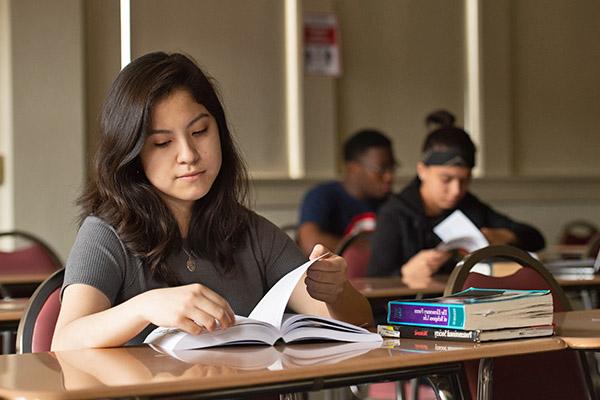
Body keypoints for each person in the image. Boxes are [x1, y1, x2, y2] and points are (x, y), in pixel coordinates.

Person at [51, 52, 373, 350]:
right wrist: (144, 306)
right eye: (163, 143)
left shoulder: (251, 232)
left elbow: (360, 325)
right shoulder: (106, 234)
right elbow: (63, 342)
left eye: (200, 131)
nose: (189, 155)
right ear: (132, 154)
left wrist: (337, 291)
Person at [367, 127, 545, 282]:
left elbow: (535, 238)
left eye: (464, 180)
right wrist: (405, 274)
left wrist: (505, 236)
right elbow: (374, 281)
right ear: (422, 171)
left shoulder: (468, 205)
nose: (456, 190)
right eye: (446, 179)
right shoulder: (394, 214)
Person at [297, 129, 396, 255]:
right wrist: (373, 250)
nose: (389, 176)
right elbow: (310, 243)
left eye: (392, 168)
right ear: (353, 168)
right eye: (380, 169)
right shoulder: (322, 196)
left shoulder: (393, 202)